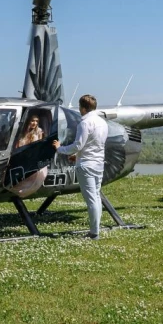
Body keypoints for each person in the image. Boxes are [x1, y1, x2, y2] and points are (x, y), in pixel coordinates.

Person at [53, 94, 108, 240]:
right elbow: (94, 145)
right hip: (98, 163)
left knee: (91, 199)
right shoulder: (103, 123)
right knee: (96, 196)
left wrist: (60, 148)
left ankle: (94, 233)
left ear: (83, 108)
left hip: (86, 164)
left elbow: (78, 145)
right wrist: (77, 155)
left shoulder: (84, 123)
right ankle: (95, 229)